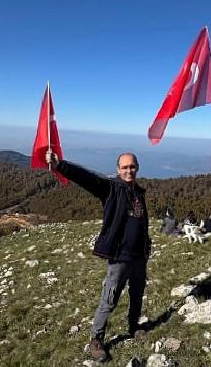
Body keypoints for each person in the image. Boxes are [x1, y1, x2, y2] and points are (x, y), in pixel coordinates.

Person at [45, 150, 151, 362]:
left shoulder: (138, 192)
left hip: (139, 257)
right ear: (118, 170)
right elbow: (87, 179)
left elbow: (140, 223)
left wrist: (147, 244)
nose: (129, 170)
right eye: (124, 167)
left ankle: (133, 326)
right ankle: (96, 339)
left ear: (137, 168)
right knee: (109, 299)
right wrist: (60, 165)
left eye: (132, 167)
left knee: (137, 295)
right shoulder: (110, 189)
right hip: (120, 258)